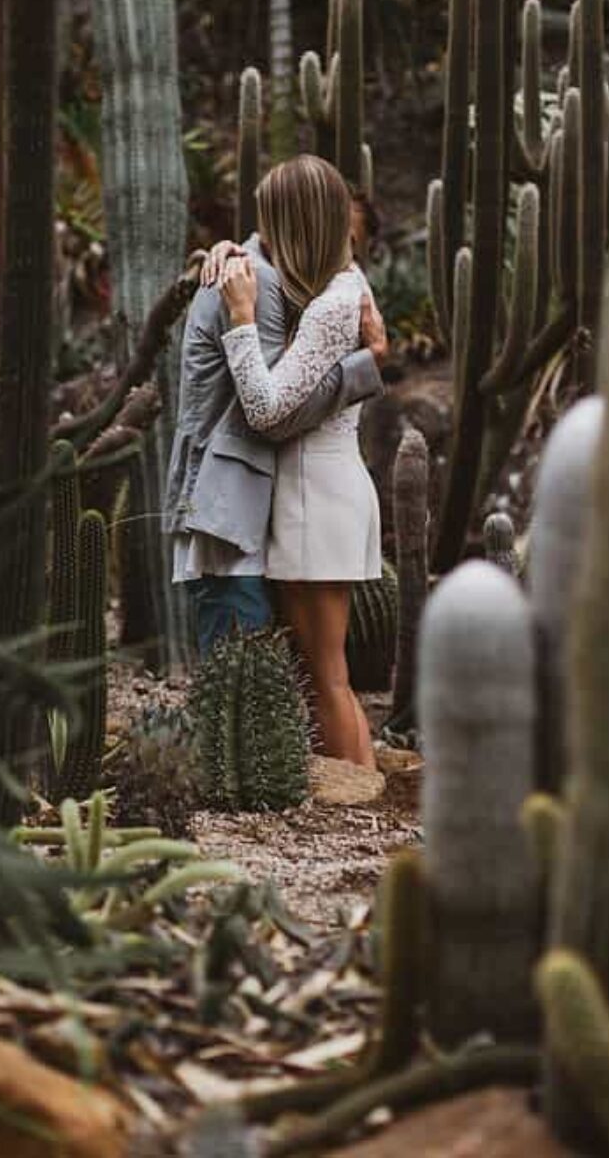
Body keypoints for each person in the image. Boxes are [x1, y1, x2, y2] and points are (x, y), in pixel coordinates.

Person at [211, 155, 386, 769]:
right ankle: (358, 795)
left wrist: (238, 323)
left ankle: (351, 810)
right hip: (323, 487)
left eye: (272, 222)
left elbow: (264, 407)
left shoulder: (332, 307)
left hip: (317, 493)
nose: (266, 235)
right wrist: (231, 248)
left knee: (327, 676)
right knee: (325, 675)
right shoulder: (347, 285)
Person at [165, 190, 388, 660]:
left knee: (267, 691)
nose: (334, 248)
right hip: (229, 518)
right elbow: (273, 417)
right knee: (241, 690)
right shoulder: (251, 281)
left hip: (255, 520)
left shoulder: (319, 289)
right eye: (328, 230)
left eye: (346, 239)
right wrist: (364, 369)